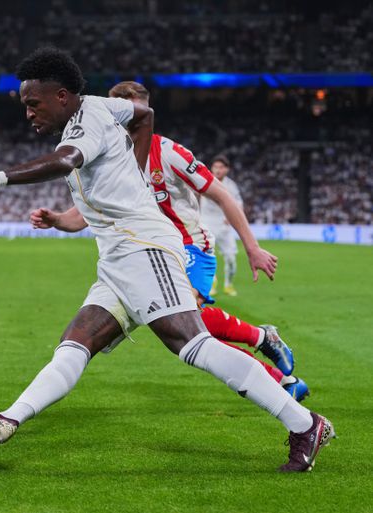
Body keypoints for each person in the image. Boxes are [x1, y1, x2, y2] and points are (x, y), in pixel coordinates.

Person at [0, 48, 333, 472]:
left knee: (194, 345)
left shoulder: (86, 120)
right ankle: (7, 420)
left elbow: (66, 160)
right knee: (74, 346)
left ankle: (304, 423)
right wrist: (137, 167)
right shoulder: (102, 106)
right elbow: (145, 113)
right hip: (117, 258)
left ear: (61, 96)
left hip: (145, 247)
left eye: (33, 104)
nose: (28, 114)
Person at [30, 80, 307, 401]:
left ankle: (265, 349)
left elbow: (222, 195)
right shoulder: (108, 157)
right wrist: (56, 220)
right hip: (144, 252)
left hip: (189, 246)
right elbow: (80, 218)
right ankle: (277, 371)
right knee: (188, 331)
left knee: (188, 321)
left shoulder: (168, 152)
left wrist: (252, 247)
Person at [201, 155, 243, 296]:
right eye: (215, 167)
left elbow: (239, 203)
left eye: (221, 167)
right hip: (207, 222)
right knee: (207, 256)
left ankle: (228, 285)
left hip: (224, 225)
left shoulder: (231, 185)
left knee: (231, 259)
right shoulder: (203, 179)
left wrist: (233, 217)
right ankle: (211, 283)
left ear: (227, 169)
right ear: (212, 168)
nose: (218, 170)